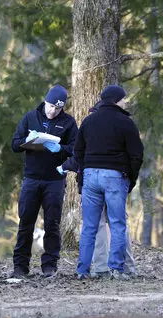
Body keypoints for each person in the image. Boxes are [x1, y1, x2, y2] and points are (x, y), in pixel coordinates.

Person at [57, 104, 137, 278]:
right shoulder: (119, 129)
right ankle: (125, 267)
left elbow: (78, 156)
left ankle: (98, 268)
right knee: (119, 225)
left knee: (95, 227)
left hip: (92, 182)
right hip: (115, 180)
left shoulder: (89, 127)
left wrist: (64, 166)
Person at [74, 85, 144, 280]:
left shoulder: (88, 121)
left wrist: (83, 172)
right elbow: (137, 154)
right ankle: (116, 268)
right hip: (114, 176)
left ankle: (83, 270)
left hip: (90, 176)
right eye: (123, 99)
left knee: (89, 226)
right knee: (117, 224)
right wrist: (131, 178)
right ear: (116, 100)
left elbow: (78, 151)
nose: (125, 102)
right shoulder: (125, 122)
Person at [10, 84, 78, 278]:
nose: (52, 111)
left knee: (52, 223)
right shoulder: (30, 117)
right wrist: (28, 141)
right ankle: (20, 266)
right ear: (45, 101)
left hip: (54, 180)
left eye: (57, 108)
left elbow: (75, 148)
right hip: (31, 179)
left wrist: (61, 149)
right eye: (50, 106)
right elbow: (15, 145)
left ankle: (49, 265)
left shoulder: (68, 123)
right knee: (26, 222)